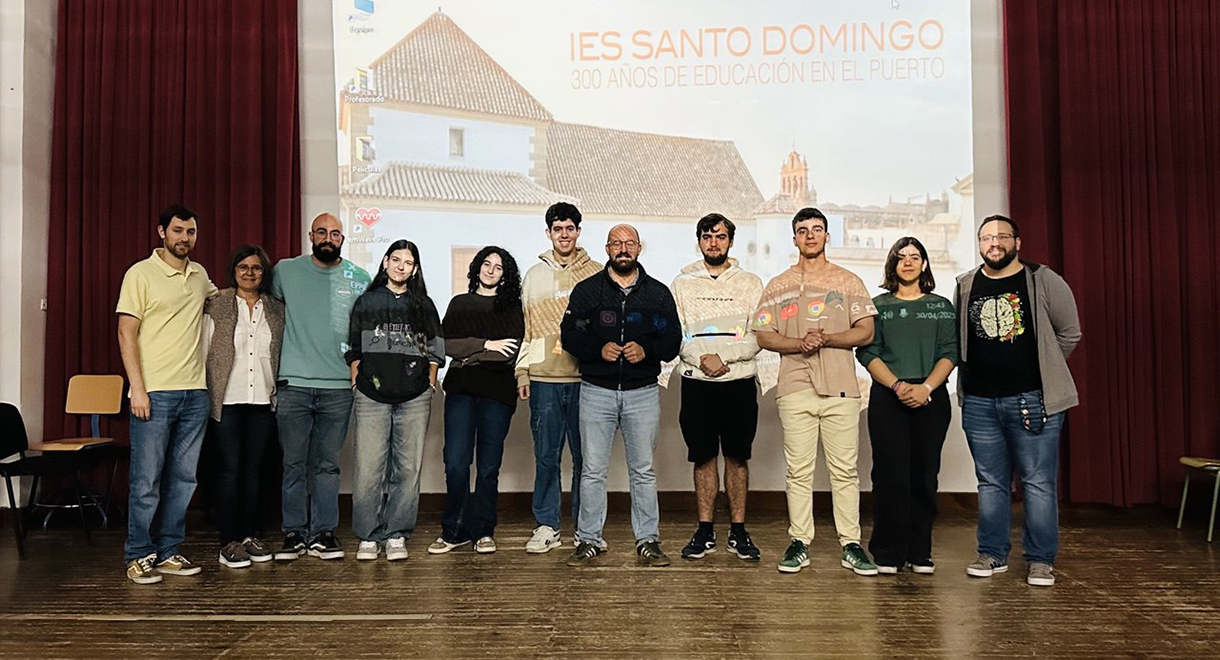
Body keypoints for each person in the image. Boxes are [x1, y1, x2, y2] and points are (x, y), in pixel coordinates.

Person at [956, 214, 1080, 587]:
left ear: (1017, 242)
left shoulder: (1043, 279)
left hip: (1033, 401)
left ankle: (1041, 560)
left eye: (1002, 237)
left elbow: (1069, 334)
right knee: (990, 482)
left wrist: (1042, 370)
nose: (994, 243)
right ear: (979, 244)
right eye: (986, 238)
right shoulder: (965, 284)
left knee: (1038, 483)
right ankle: (992, 554)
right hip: (979, 402)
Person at [754, 207, 879, 576]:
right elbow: (763, 334)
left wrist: (826, 338)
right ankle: (799, 542)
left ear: (827, 236)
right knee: (799, 470)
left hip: (841, 388)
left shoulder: (849, 281)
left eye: (817, 229)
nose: (810, 236)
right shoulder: (777, 284)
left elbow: (866, 331)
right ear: (794, 238)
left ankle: (851, 544)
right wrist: (800, 344)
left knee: (844, 471)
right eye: (803, 230)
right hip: (795, 388)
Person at [561, 224, 682, 567]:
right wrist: (599, 349)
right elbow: (569, 335)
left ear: (640, 248)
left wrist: (648, 350)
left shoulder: (657, 294)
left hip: (642, 393)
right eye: (617, 243)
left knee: (643, 471)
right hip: (596, 392)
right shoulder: (587, 291)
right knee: (593, 471)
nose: (623, 248)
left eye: (629, 243)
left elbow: (672, 341)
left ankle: (648, 541)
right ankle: (589, 539)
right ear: (607, 249)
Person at [116, 204, 218, 584]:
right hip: (154, 394)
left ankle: (169, 550)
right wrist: (137, 389)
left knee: (184, 479)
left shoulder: (198, 274)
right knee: (146, 481)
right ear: (161, 232)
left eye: (190, 232)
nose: (184, 238)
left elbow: (218, 298)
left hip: (195, 393)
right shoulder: (139, 274)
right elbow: (126, 333)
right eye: (177, 231)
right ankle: (138, 554)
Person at [271, 213, 371, 561]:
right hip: (293, 384)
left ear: (343, 239)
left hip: (339, 386)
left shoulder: (360, 278)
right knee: (294, 464)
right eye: (322, 232)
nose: (329, 238)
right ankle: (294, 533)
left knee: (327, 465)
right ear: (310, 235)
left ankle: (324, 533)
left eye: (336, 233)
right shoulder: (284, 271)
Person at [856, 237, 957, 575]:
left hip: (931, 395)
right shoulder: (877, 306)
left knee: (924, 474)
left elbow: (950, 352)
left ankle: (919, 551)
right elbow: (868, 352)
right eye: (902, 258)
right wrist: (898, 386)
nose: (909, 263)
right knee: (888, 475)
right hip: (888, 395)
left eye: (915, 257)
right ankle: (887, 551)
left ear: (925, 264)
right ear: (892, 265)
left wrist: (926, 386)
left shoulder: (941, 306)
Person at [671, 213, 764, 561]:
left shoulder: (751, 283)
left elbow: (758, 334)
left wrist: (723, 357)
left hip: (738, 383)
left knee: (738, 458)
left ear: (730, 241)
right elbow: (676, 332)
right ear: (699, 241)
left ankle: (738, 531)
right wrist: (702, 358)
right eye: (707, 236)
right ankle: (705, 530)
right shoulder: (682, 284)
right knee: (703, 456)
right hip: (697, 382)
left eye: (721, 236)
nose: (714, 242)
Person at [344, 240, 443, 562]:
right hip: (371, 396)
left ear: (415, 268)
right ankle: (369, 536)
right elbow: (354, 348)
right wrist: (357, 381)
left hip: (414, 397)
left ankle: (397, 533)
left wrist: (428, 383)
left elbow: (436, 350)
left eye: (408, 262)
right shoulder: (367, 301)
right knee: (369, 470)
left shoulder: (423, 304)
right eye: (396, 259)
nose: (402, 266)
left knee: (408, 468)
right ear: (385, 262)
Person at [515, 202, 601, 554]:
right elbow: (527, 327)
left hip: (587, 381)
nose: (563, 235)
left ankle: (586, 529)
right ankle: (547, 525)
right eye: (557, 229)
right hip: (543, 381)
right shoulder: (534, 276)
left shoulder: (596, 273)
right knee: (547, 457)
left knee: (587, 460)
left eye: (570, 228)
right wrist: (522, 369)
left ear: (578, 231)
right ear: (548, 233)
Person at [428, 247, 525, 555]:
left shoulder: (512, 308)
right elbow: (444, 345)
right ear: (477, 267)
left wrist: (469, 355)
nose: (491, 270)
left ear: (506, 275)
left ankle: (483, 530)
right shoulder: (460, 303)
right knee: (456, 462)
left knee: (487, 467)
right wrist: (484, 344)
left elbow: (508, 350)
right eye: (487, 264)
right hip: (461, 390)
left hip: (497, 392)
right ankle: (454, 530)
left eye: (499, 267)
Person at [204, 244, 285, 569]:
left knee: (255, 472)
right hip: (227, 400)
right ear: (233, 271)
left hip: (263, 400)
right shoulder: (218, 304)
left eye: (256, 268)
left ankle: (251, 535)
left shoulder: (276, 309)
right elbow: (205, 348)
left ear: (264, 273)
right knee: (229, 470)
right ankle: (229, 541)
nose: (249, 273)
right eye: (243, 267)